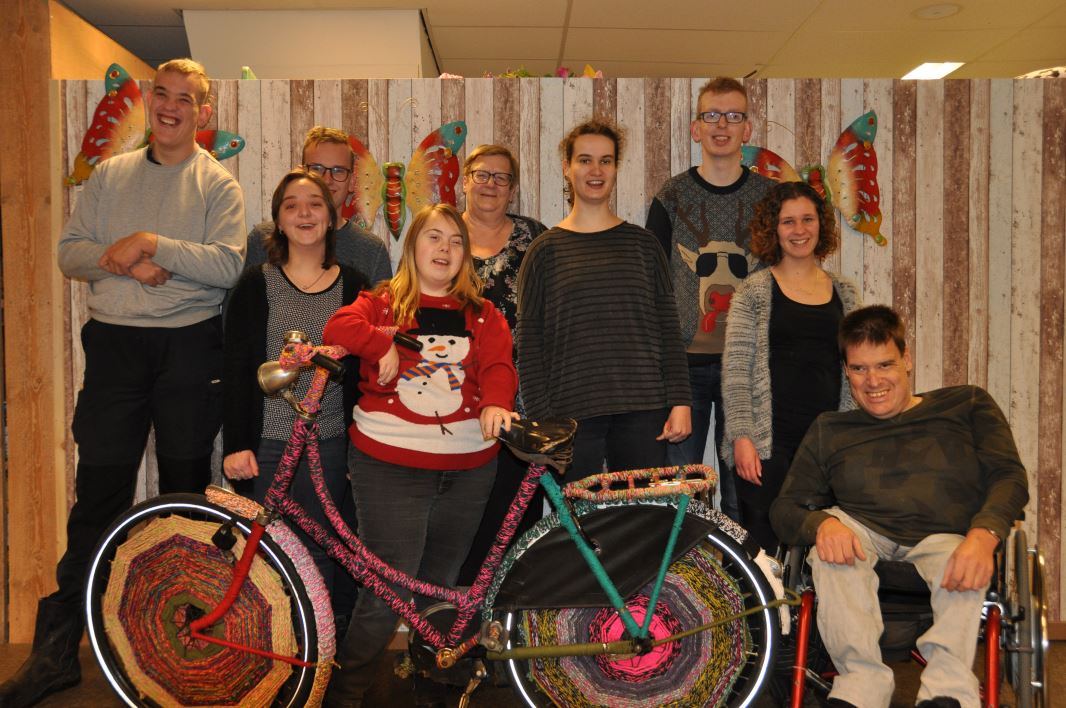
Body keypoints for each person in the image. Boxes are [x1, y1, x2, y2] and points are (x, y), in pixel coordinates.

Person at [0, 58, 246, 707]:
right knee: (99, 500)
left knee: (185, 502)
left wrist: (150, 243)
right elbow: (71, 253)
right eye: (161, 94)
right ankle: (56, 653)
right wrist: (129, 262)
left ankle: (183, 647)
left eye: (185, 98)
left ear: (204, 112)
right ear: (149, 100)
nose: (170, 106)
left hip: (190, 348)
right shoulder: (109, 175)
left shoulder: (218, 184)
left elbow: (227, 266)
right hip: (114, 350)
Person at [770, 306, 1029, 708]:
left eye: (884, 364)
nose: (873, 381)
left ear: (906, 359)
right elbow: (784, 509)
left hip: (947, 536)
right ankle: (861, 688)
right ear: (846, 371)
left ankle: (947, 691)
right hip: (862, 534)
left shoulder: (967, 404)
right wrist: (821, 525)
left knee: (960, 558)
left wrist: (984, 535)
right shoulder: (830, 429)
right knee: (832, 545)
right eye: (859, 369)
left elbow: (1010, 477)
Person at [321, 203, 517, 706]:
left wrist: (497, 402)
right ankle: (344, 695)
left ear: (465, 255)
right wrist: (378, 344)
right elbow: (337, 328)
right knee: (387, 593)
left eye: (455, 241)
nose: (444, 249)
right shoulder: (384, 303)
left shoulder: (483, 313)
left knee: (441, 590)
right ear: (412, 246)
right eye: (434, 237)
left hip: (470, 470)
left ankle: (431, 685)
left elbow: (499, 366)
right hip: (390, 467)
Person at [222, 168, 369, 611]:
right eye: (292, 206)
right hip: (268, 445)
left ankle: (320, 645)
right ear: (279, 221)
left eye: (314, 204)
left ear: (331, 216)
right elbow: (237, 371)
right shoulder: (256, 284)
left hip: (331, 446)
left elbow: (365, 376)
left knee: (322, 553)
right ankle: (274, 644)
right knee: (266, 553)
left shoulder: (355, 287)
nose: (304, 214)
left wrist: (359, 453)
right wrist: (237, 445)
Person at [517, 120, 691, 483]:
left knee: (640, 513)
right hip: (571, 414)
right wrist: (543, 420)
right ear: (567, 167)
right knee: (577, 516)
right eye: (584, 160)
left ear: (615, 168)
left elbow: (668, 329)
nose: (595, 171)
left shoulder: (644, 245)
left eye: (605, 161)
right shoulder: (544, 250)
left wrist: (680, 401)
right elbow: (529, 343)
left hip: (644, 409)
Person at [645, 77, 774, 522]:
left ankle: (743, 569)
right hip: (683, 370)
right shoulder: (671, 197)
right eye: (712, 115)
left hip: (748, 366)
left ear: (747, 129)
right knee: (680, 492)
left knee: (743, 492)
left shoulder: (770, 200)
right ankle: (685, 568)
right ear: (695, 128)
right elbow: (654, 283)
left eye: (733, 116)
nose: (722, 125)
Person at [722, 181, 860, 554]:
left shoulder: (845, 293)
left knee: (823, 550)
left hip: (825, 445)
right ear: (774, 229)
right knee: (762, 552)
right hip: (767, 446)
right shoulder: (752, 292)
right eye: (788, 222)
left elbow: (856, 370)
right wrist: (742, 438)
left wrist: (852, 438)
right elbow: (736, 373)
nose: (799, 230)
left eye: (807, 219)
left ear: (821, 225)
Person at [456, 144, 548, 585]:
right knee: (463, 511)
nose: (490, 184)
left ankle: (513, 608)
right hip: (455, 395)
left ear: (512, 189)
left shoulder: (535, 237)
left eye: (501, 177)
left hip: (523, 398)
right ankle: (460, 610)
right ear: (465, 180)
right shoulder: (443, 232)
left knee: (516, 511)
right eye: (481, 174)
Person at [245, 125, 392, 284]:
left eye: (338, 170)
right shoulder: (262, 240)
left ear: (352, 182)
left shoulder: (372, 251)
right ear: (300, 174)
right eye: (316, 168)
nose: (327, 179)